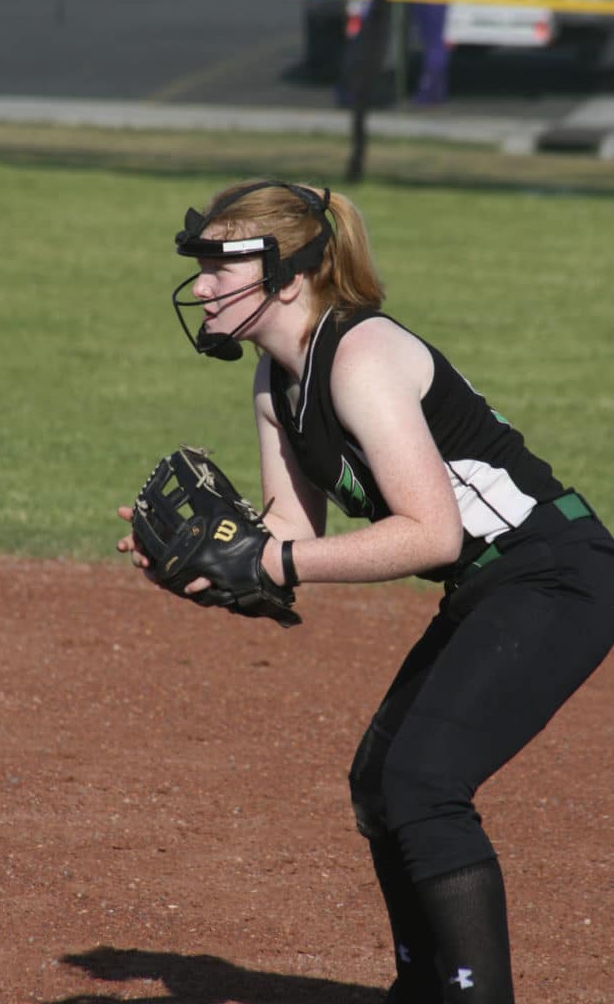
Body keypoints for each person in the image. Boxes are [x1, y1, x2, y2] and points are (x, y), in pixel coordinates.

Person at [117, 179, 614, 1004]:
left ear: (289, 276)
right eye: (200, 266)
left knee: (422, 784)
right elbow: (288, 536)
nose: (200, 286)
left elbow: (430, 534)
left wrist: (270, 564)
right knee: (381, 781)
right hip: (495, 583)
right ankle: (420, 989)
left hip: (554, 571)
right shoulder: (276, 380)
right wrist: (210, 569)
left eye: (219, 266)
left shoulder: (362, 356)